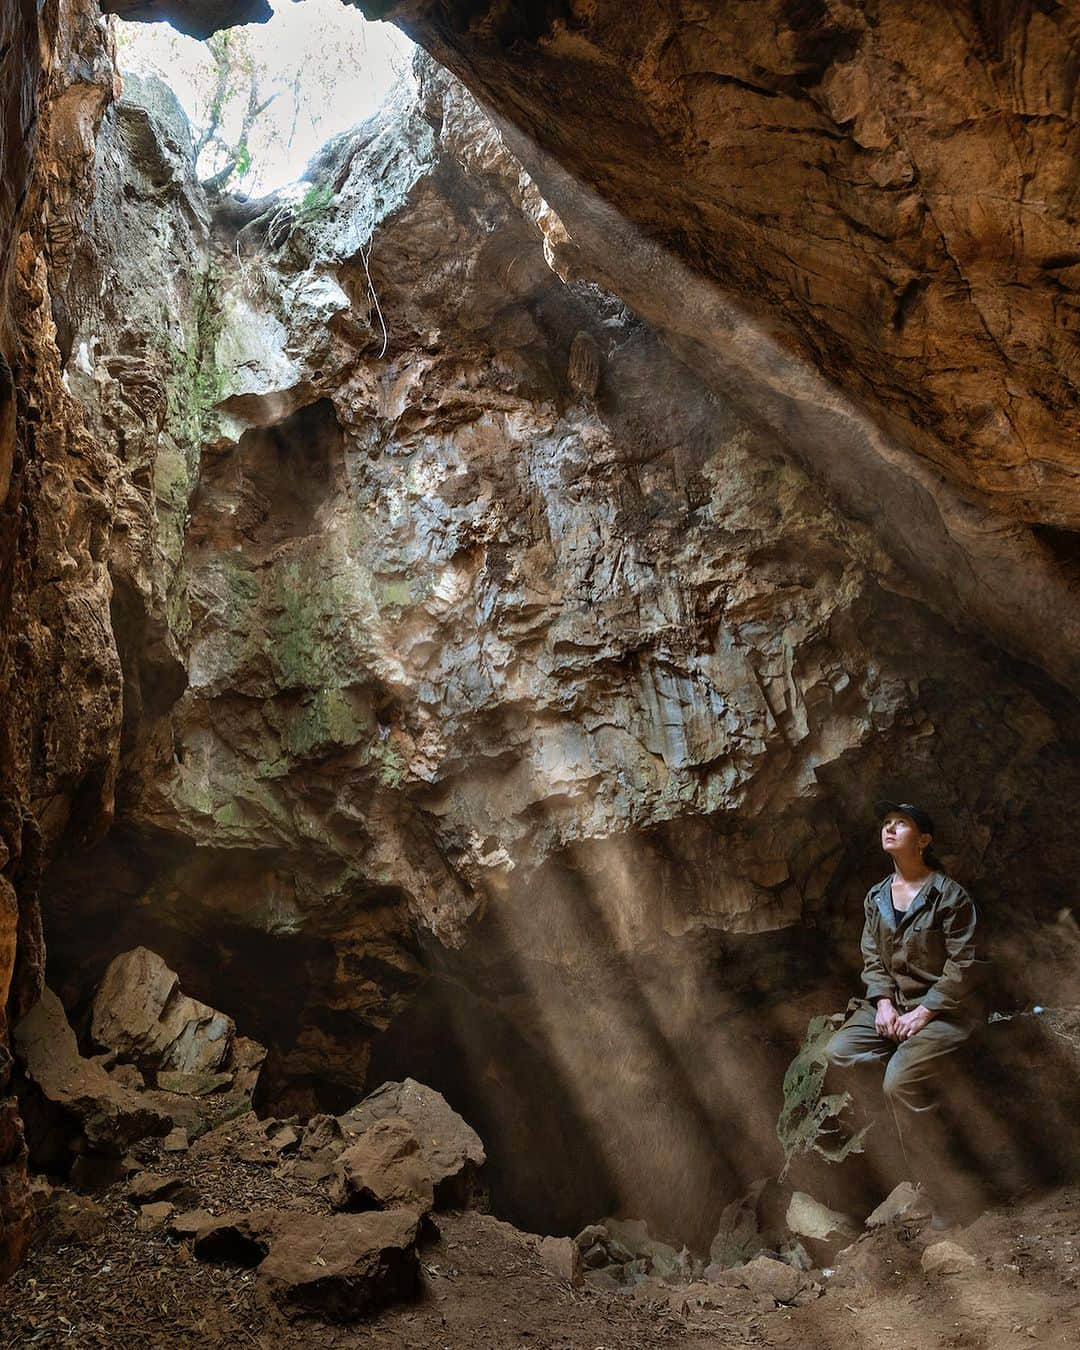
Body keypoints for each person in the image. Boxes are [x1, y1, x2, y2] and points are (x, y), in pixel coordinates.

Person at [825, 800, 983, 1226]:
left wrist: (923, 1015)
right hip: (893, 1009)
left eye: (902, 824)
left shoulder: (949, 896)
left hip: (943, 1013)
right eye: (886, 823)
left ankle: (945, 1196)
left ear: (924, 840)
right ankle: (895, 1142)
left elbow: (963, 965)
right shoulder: (876, 897)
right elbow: (872, 958)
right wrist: (883, 1005)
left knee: (899, 1081)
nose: (889, 829)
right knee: (840, 1051)